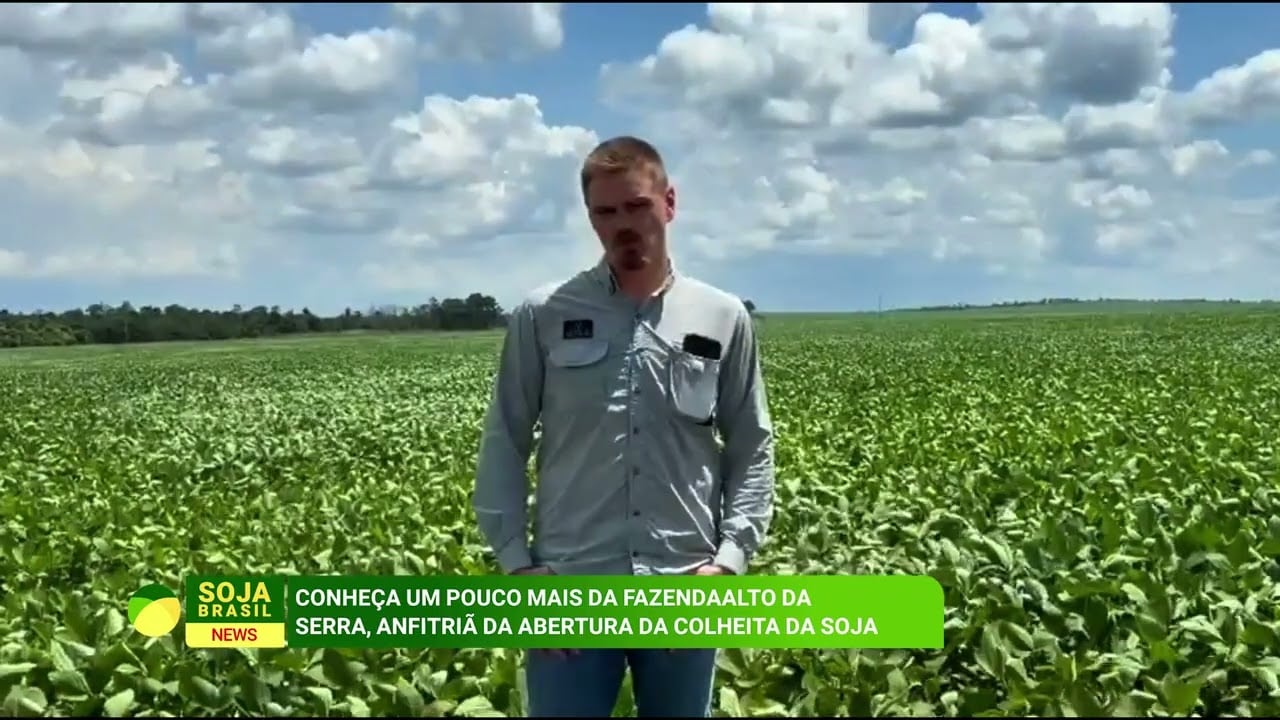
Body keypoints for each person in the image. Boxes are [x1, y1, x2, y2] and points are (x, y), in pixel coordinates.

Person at [473, 135, 776, 717]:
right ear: (590, 219)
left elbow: (752, 444)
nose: (622, 226)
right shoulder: (544, 314)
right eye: (605, 213)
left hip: (684, 584)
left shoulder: (722, 315)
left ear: (668, 202)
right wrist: (519, 569)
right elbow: (505, 441)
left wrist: (730, 560)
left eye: (636, 206)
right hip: (571, 587)